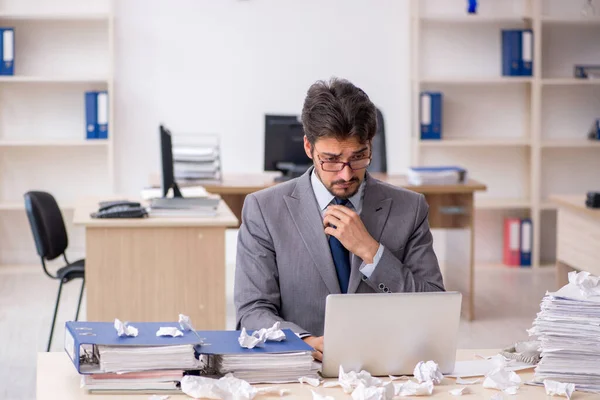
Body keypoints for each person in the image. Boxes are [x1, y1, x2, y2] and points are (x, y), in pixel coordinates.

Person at [234, 77, 444, 361]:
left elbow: (434, 308)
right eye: (331, 160)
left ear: (370, 146)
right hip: (300, 368)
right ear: (309, 148)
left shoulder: (410, 208)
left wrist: (373, 253)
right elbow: (251, 311)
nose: (345, 174)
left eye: (358, 157)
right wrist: (303, 341)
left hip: (386, 365)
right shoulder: (264, 210)